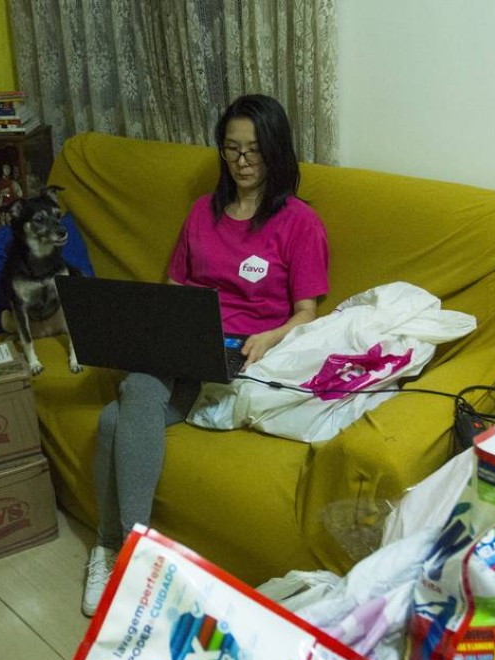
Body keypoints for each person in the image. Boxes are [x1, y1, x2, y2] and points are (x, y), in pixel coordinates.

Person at [82, 94, 330, 615]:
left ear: (277, 154)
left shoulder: (298, 222)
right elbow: (173, 286)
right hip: (184, 342)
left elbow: (308, 311)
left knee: (116, 416)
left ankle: (113, 550)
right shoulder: (202, 212)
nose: (241, 162)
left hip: (243, 355)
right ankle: (132, 554)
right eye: (231, 149)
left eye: (254, 151)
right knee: (139, 386)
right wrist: (158, 328)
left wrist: (274, 336)